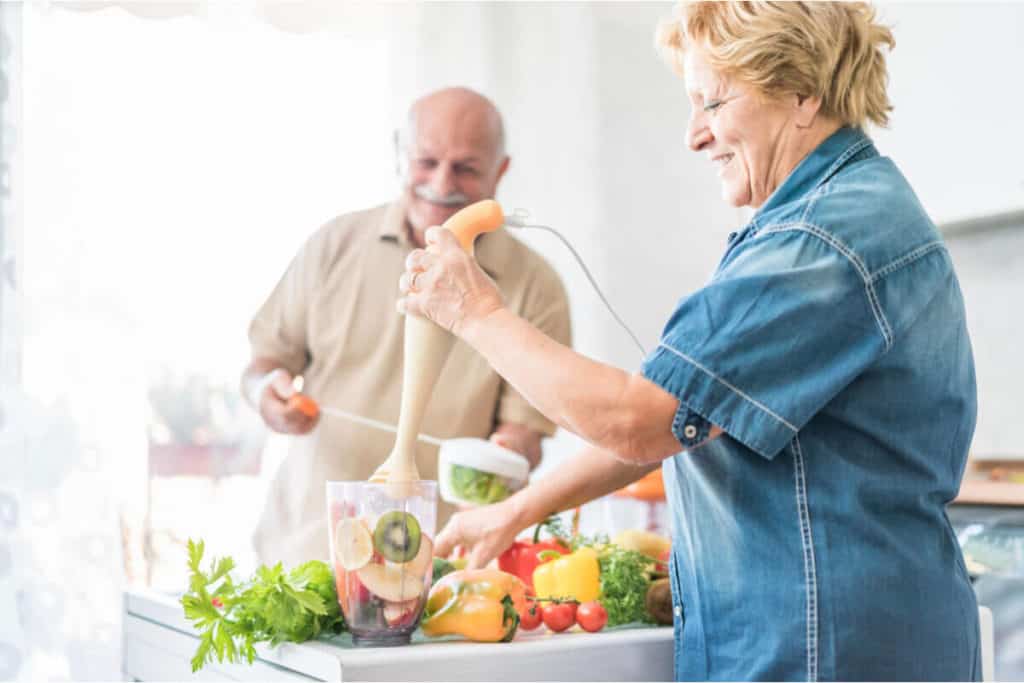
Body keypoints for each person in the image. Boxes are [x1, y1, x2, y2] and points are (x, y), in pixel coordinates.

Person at [399, 3, 979, 681]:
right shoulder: (832, 217)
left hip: (826, 654)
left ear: (801, 93)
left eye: (712, 101)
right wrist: (520, 508)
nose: (693, 135)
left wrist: (474, 310)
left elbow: (638, 418)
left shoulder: (820, 242)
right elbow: (688, 416)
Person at [243, 87, 571, 566]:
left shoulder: (537, 286)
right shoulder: (333, 245)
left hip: (434, 567)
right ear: (400, 153)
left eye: (466, 167)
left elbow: (523, 431)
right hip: (303, 552)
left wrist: (500, 460)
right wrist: (266, 394)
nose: (442, 183)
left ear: (500, 172)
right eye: (426, 161)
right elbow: (262, 365)